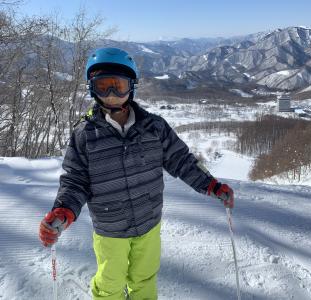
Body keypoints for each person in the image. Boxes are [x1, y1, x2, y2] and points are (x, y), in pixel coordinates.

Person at [38, 47, 234, 300]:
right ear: (92, 88)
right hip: (110, 229)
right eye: (103, 86)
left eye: (118, 86)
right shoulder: (85, 135)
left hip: (148, 224)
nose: (111, 94)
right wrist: (63, 211)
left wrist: (212, 186)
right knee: (110, 282)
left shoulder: (154, 127)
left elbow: (181, 161)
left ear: (131, 87)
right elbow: (75, 180)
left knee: (144, 277)